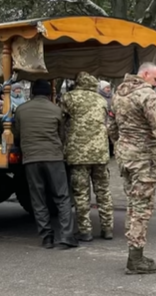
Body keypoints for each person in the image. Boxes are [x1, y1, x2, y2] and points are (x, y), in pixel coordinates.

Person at [107, 62, 156, 275]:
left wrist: (122, 146)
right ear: (145, 74)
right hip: (142, 159)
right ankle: (136, 260)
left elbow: (111, 127)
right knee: (142, 208)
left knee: (133, 204)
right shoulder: (146, 95)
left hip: (125, 157)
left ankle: (135, 254)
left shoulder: (118, 94)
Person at [12, 79, 78, 250]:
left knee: (38, 198)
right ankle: (66, 237)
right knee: (62, 197)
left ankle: (47, 238)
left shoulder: (21, 110)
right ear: (49, 94)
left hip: (31, 159)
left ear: (32, 93)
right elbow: (62, 135)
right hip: (54, 157)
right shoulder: (56, 110)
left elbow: (17, 135)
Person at [61, 72, 114, 242]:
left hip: (78, 154)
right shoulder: (101, 100)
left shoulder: (69, 97)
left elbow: (60, 119)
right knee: (103, 192)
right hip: (100, 153)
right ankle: (107, 229)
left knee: (81, 193)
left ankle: (85, 231)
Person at [98, 80, 114, 158]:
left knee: (112, 134)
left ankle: (112, 151)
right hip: (103, 118)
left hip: (111, 118)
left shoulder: (112, 97)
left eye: (109, 87)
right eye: (106, 88)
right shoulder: (99, 97)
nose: (108, 89)